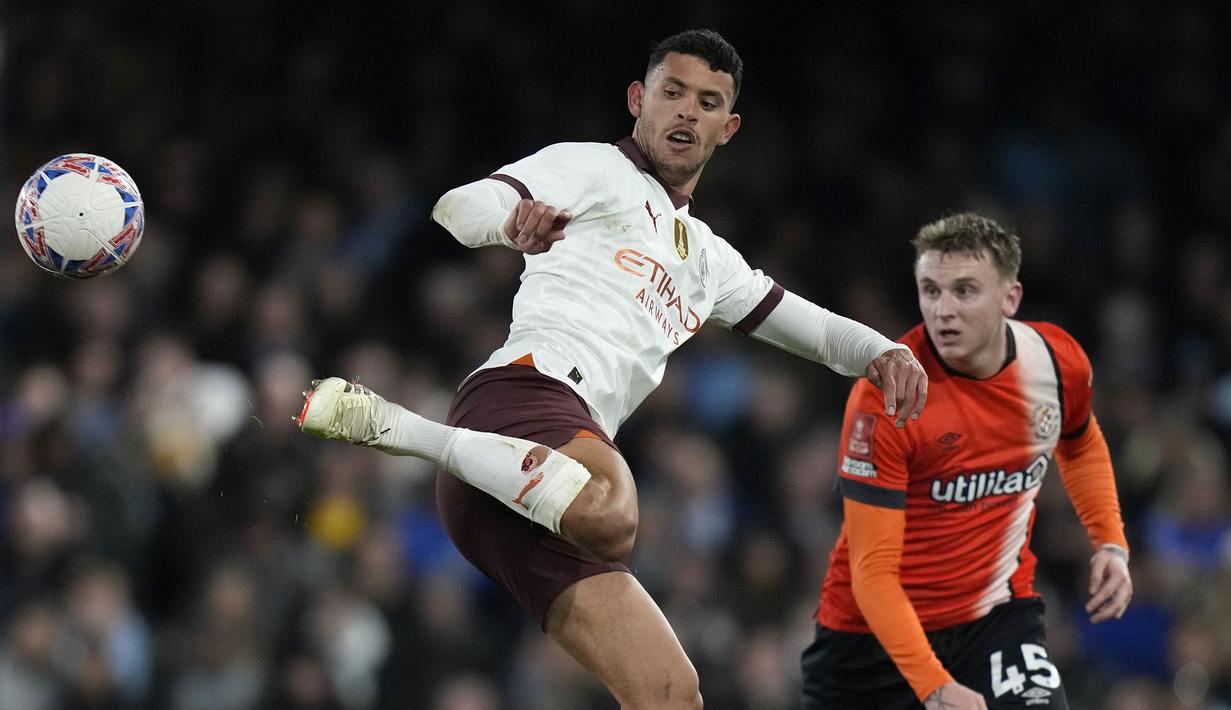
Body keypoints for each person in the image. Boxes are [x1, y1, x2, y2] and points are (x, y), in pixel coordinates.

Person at [298, 29, 928, 708]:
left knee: (669, 692)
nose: (686, 111)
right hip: (522, 402)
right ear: (638, 98)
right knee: (618, 516)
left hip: (540, 489)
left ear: (728, 127)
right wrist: (511, 222)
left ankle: (429, 442)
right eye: (672, 92)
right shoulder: (594, 168)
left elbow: (811, 327)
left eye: (707, 101)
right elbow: (459, 207)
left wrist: (882, 353)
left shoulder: (708, 261)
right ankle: (397, 428)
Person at [800, 212, 1133, 710]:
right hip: (872, 642)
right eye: (931, 290)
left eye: (964, 291)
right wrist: (933, 684)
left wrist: (1110, 540)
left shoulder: (1057, 362)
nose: (943, 310)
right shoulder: (889, 394)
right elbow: (872, 572)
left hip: (996, 617)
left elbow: (1081, 443)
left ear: (1010, 298)